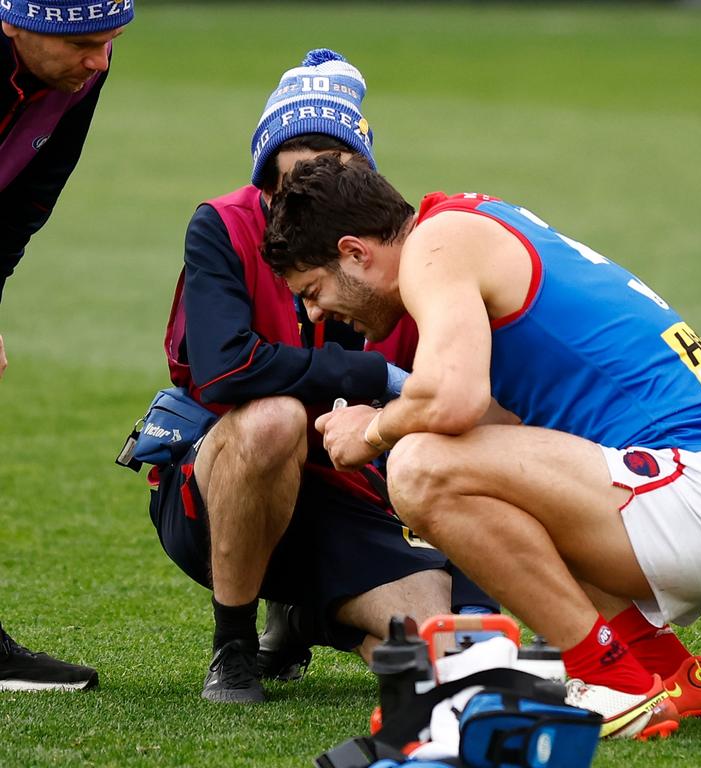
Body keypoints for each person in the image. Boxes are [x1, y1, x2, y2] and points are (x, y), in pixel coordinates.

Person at [260, 158, 701, 739]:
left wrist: (372, 430)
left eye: (314, 290)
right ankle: (662, 669)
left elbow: (454, 402)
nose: (316, 313)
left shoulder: (435, 247)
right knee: (442, 456)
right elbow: (495, 422)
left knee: (418, 467)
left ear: (355, 252)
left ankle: (611, 678)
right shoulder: (465, 222)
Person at [147, 50, 494, 705]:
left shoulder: (396, 256)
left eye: (332, 177)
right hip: (217, 485)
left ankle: (310, 614)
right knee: (273, 417)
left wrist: (476, 619)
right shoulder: (221, 226)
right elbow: (226, 371)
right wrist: (375, 374)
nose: (306, 199)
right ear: (263, 182)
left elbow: (458, 418)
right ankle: (234, 648)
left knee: (446, 654)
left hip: (346, 496)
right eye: (289, 182)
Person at [0, 0, 133, 691]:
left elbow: (26, 200)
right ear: (12, 22)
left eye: (110, 42)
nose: (100, 61)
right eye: (84, 43)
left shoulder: (79, 72)